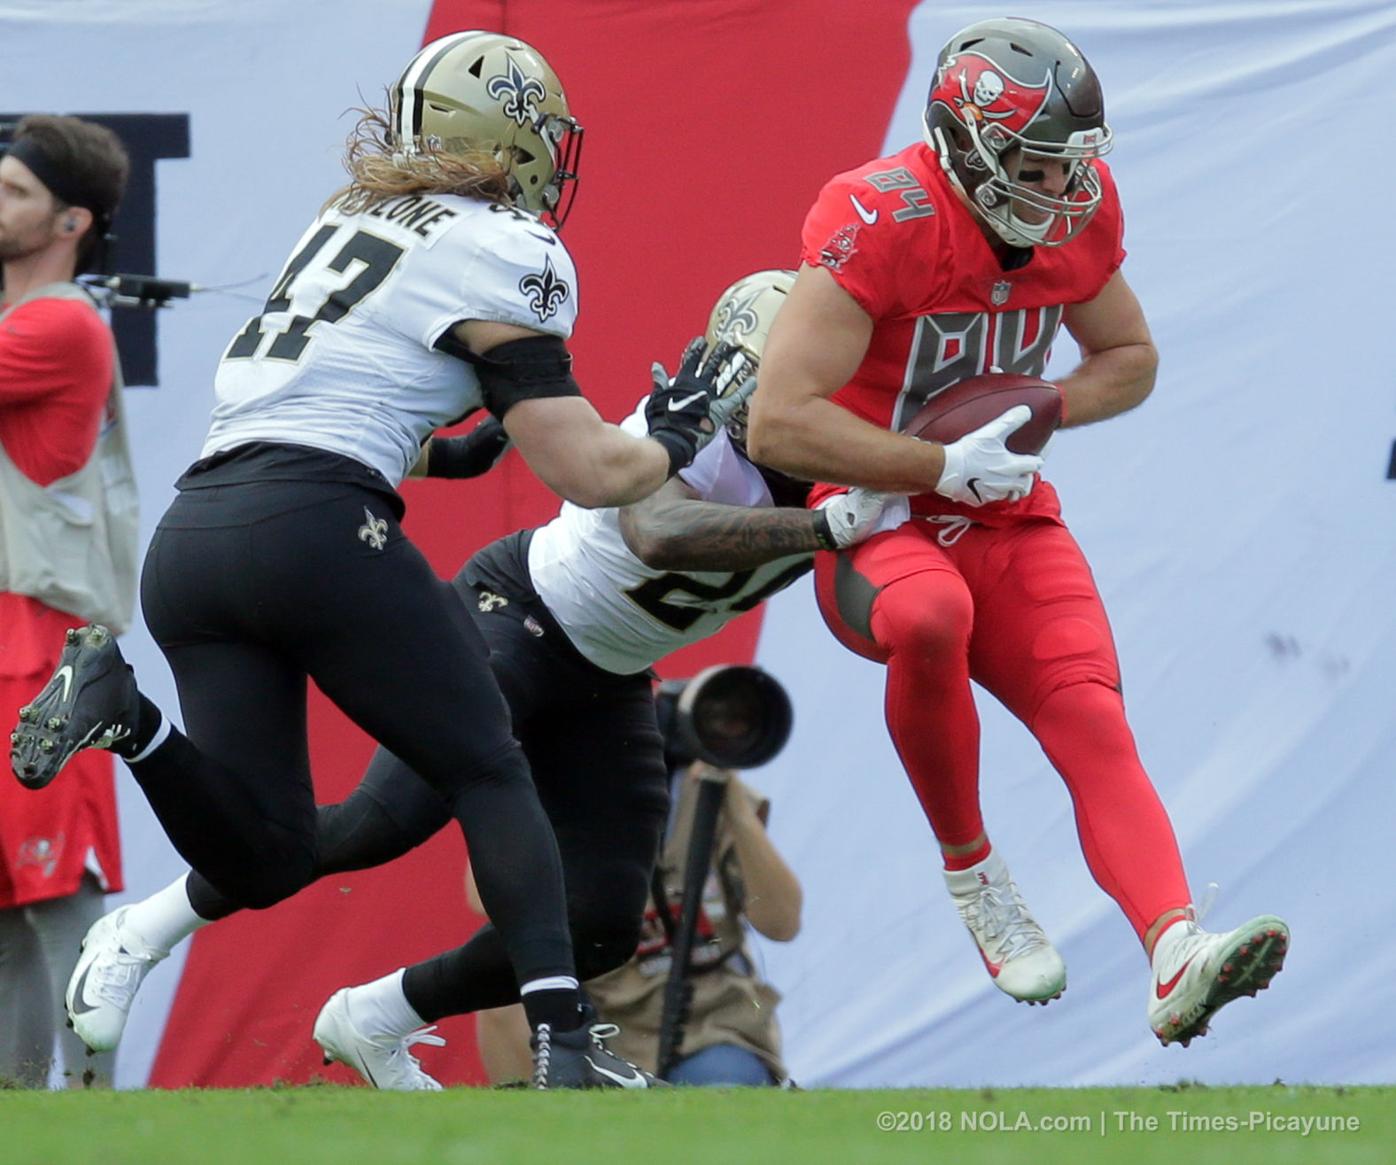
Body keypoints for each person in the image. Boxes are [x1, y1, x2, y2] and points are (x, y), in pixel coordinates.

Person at [9, 31, 749, 1091]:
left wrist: (455, 447)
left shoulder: (348, 217)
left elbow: (327, 404)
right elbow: (593, 469)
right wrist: (677, 435)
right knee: (486, 761)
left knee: (263, 854)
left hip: (201, 539)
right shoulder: (509, 247)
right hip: (315, 529)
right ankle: (562, 1039)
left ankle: (130, 718)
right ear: (501, 134)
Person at [51, 268, 908, 1089]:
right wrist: (825, 527)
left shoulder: (839, 460)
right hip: (521, 611)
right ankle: (143, 931)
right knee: (378, 824)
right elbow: (656, 530)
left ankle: (377, 1014)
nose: (819, 392)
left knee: (603, 924)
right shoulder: (686, 423)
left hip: (611, 673)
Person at [746, 16, 1289, 1047]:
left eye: (1070, 165)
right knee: (931, 613)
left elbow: (1127, 355)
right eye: (1037, 166)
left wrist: (1035, 411)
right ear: (964, 148)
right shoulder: (883, 214)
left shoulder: (1073, 218)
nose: (1061, 191)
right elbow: (782, 417)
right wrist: (937, 461)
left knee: (1090, 713)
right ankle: (973, 870)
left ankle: (1175, 949)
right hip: (875, 519)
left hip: (1006, 513)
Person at [0, 115, 136, 1088]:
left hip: (34, 635)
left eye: (13, 191)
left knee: (54, 886)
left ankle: (94, 1110)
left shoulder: (56, 323)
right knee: (14, 898)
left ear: (70, 220)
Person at [472, 756, 800, 1088]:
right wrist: (533, 786)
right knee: (505, 989)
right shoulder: (565, 791)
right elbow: (480, 897)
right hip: (599, 1027)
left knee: (722, 1096)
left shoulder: (706, 789)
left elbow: (783, 923)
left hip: (710, 1029)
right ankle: (541, 1125)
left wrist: (735, 806)